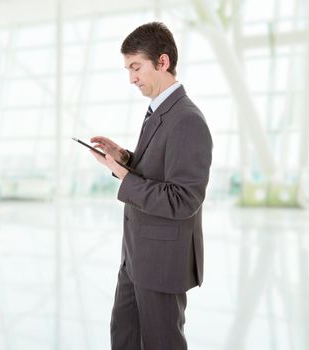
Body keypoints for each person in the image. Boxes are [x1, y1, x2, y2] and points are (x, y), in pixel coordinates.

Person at [89, 22, 213, 350]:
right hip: (136, 254)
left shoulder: (187, 120)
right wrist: (124, 158)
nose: (131, 78)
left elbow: (184, 199)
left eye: (135, 67)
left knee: (161, 342)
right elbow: (158, 171)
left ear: (162, 62)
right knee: (124, 335)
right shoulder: (159, 111)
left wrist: (125, 177)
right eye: (128, 69)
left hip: (161, 259)